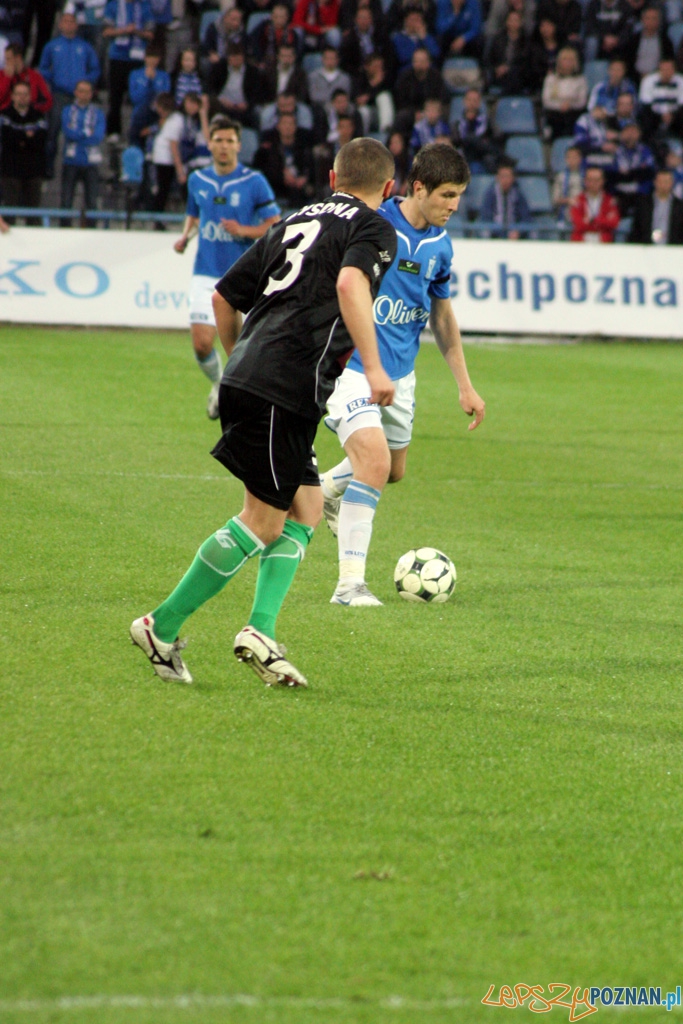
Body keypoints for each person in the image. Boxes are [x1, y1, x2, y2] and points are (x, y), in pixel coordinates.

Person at [130, 136, 398, 687]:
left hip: (262, 380)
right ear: (389, 189)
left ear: (331, 178)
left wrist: (239, 366)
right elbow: (351, 282)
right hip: (287, 384)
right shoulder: (374, 226)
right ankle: (162, 624)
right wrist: (374, 367)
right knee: (262, 520)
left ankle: (261, 629)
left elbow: (223, 298)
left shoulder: (294, 219)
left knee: (304, 509)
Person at [320, 143, 485, 606]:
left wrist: (465, 385)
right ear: (418, 188)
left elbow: (442, 318)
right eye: (447, 195)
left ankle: (325, 491)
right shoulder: (372, 224)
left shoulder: (440, 245)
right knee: (373, 463)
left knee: (392, 471)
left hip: (401, 375)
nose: (454, 206)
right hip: (351, 366)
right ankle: (349, 585)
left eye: (459, 196)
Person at [174, 116, 281, 420]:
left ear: (238, 144)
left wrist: (243, 231)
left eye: (229, 141)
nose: (223, 146)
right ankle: (220, 384)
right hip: (205, 272)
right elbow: (194, 216)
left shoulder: (254, 181)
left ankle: (242, 399)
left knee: (242, 348)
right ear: (210, 143)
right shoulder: (197, 179)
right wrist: (185, 236)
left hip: (244, 276)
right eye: (218, 140)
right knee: (202, 343)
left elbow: (276, 225)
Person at [39, 11, 100, 178]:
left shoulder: (85, 47)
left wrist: (84, 85)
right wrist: (53, 80)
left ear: (76, 25)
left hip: (79, 97)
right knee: (52, 133)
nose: (68, 25)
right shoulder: (52, 46)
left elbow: (95, 69)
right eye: (65, 21)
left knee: (79, 131)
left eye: (71, 21)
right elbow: (43, 68)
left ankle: (77, 168)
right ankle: (48, 167)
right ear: (60, 25)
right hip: (59, 94)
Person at [102, 0, 154, 139]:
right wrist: (124, 30)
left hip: (138, 59)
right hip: (117, 57)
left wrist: (137, 31)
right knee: (115, 97)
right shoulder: (113, 5)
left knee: (140, 97)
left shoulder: (145, 6)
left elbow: (150, 34)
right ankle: (113, 131)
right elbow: (106, 32)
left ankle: (138, 131)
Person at [0, 80, 48, 224]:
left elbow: (41, 140)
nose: (22, 97)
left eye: (25, 94)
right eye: (18, 94)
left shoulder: (38, 115)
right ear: (12, 96)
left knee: (33, 213)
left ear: (30, 96)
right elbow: (7, 138)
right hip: (10, 170)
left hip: (33, 170)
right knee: (10, 211)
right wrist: (27, 136)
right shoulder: (5, 115)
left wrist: (19, 137)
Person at [60, 79, 105, 224]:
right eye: (81, 91)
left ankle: (91, 232)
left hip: (90, 162)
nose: (83, 94)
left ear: (91, 94)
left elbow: (98, 137)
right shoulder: (67, 111)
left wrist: (78, 135)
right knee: (66, 200)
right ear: (75, 92)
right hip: (71, 161)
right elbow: (68, 133)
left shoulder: (98, 113)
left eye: (87, 91)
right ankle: (63, 230)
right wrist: (86, 132)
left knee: (92, 201)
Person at [541, 45, 587, 139]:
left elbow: (582, 101)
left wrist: (570, 105)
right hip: (555, 112)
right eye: (565, 59)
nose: (567, 63)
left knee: (574, 117)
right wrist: (559, 105)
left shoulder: (581, 80)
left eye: (570, 60)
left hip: (573, 111)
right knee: (554, 118)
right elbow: (546, 100)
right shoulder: (551, 79)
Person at [480, 156, 531, 237]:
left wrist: (518, 231)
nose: (505, 180)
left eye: (508, 176)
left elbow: (525, 217)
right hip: (494, 236)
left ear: (513, 178)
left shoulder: (518, 194)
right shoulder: (491, 194)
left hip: (514, 236)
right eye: (503, 177)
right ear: (497, 177)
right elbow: (486, 217)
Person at [628, 166, 683, 242]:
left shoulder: (680, 206)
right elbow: (636, 230)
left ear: (672, 183)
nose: (663, 185)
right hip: (646, 249)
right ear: (655, 182)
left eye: (666, 182)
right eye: (660, 182)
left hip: (672, 249)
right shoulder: (643, 204)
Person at [569, 165, 621, 240]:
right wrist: (602, 222)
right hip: (581, 241)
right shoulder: (578, 200)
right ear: (585, 181)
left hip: (603, 241)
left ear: (603, 181)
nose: (593, 183)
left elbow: (614, 223)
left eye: (596, 180)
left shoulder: (610, 201)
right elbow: (578, 223)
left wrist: (592, 221)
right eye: (590, 180)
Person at [551, 142, 583, 221]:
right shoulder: (560, 176)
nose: (572, 160)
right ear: (566, 159)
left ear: (580, 159)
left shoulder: (586, 176)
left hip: (583, 215)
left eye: (575, 157)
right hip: (565, 216)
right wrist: (568, 201)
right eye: (569, 157)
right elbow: (555, 199)